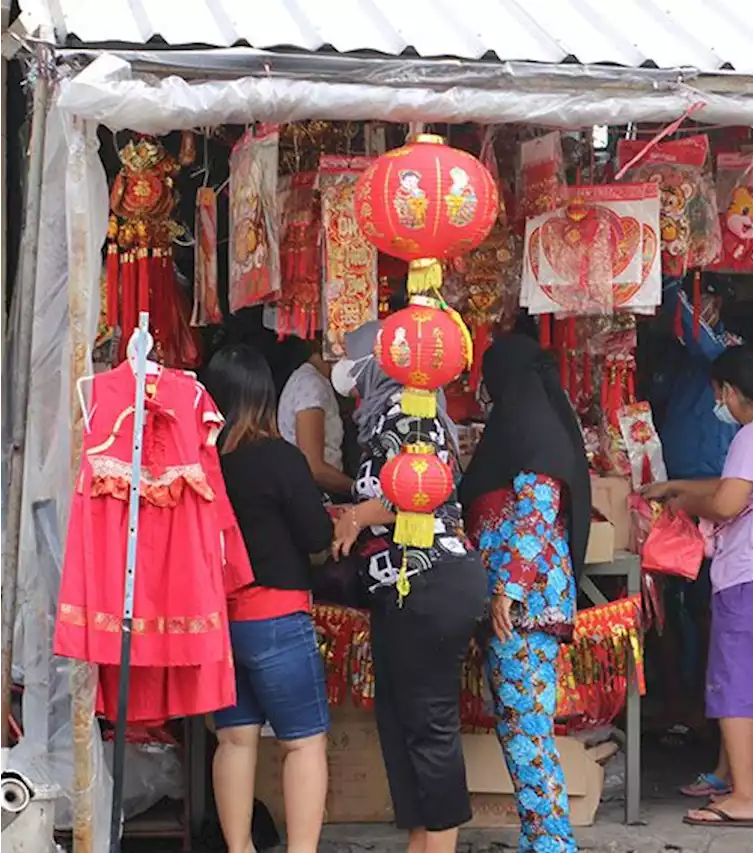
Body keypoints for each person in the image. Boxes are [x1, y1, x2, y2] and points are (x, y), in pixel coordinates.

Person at [643, 345, 753, 829]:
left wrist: (683, 503)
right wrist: (679, 488)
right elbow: (731, 487)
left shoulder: (752, 436)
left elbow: (727, 503)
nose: (719, 403)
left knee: (736, 689)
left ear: (732, 392)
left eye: (719, 393)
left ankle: (742, 797)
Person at [330, 322, 486, 853]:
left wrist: (357, 516)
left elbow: (419, 491)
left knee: (428, 725)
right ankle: (420, 842)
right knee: (401, 725)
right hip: (402, 584)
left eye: (355, 372)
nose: (350, 386)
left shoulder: (408, 410)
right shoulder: (381, 417)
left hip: (428, 578)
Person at [459, 333, 592, 853]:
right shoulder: (527, 425)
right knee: (522, 733)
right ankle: (544, 841)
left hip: (524, 609)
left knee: (528, 736)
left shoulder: (532, 429)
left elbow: (535, 517)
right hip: (517, 608)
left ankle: (551, 846)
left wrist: (506, 592)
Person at [203, 345, 335, 853]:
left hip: (217, 623)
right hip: (276, 617)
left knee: (235, 739)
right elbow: (315, 535)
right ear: (264, 396)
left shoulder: (202, 463)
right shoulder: (279, 458)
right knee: (302, 742)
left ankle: (240, 850)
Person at [648, 275, 739, 775]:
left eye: (703, 300)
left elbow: (701, 340)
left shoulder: (724, 351)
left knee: (707, 607)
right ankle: (675, 702)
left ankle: (708, 705)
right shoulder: (671, 359)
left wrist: (666, 288)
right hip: (671, 495)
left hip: (715, 499)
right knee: (664, 603)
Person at [279, 338, 354, 497]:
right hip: (317, 493)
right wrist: (357, 489)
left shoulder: (314, 380)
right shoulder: (311, 385)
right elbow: (313, 466)